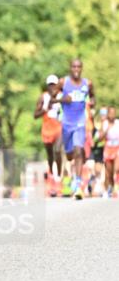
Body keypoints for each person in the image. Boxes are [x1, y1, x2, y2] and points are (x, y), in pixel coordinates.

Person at [58, 59, 95, 199]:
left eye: (79, 66)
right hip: (66, 123)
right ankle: (73, 177)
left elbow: (93, 97)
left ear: (82, 68)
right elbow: (53, 98)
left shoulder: (87, 83)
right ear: (70, 67)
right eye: (73, 66)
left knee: (79, 150)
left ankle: (78, 184)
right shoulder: (63, 82)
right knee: (69, 155)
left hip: (80, 121)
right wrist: (62, 99)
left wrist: (92, 102)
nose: (76, 69)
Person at [34, 74, 63, 192]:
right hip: (46, 128)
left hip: (59, 127)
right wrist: (46, 108)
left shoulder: (62, 96)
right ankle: (51, 175)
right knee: (50, 155)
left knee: (57, 150)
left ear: (57, 86)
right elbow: (35, 115)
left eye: (54, 85)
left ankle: (58, 177)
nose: (52, 87)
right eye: (50, 85)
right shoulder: (43, 97)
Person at [99, 106, 119, 198]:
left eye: (114, 113)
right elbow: (100, 138)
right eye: (110, 113)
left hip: (117, 147)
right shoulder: (104, 123)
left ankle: (117, 187)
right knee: (109, 172)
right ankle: (111, 186)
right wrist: (107, 129)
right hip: (108, 148)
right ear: (108, 115)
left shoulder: (118, 123)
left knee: (117, 168)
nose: (112, 115)